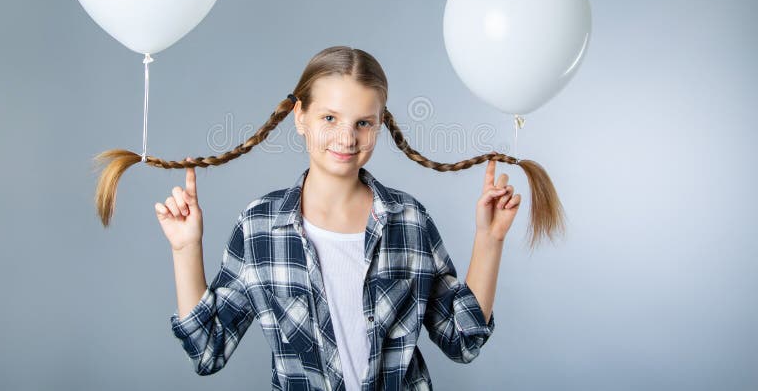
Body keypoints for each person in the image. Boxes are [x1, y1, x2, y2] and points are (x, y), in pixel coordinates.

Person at [92, 46, 566, 389]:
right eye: (330, 118)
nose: (346, 137)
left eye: (363, 122)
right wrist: (184, 249)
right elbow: (208, 350)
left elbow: (463, 340)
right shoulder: (260, 228)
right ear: (300, 117)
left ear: (380, 125)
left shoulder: (409, 222)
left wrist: (489, 239)